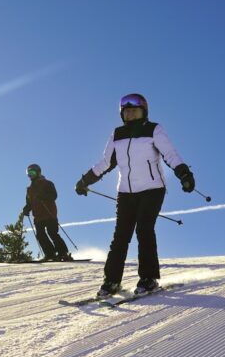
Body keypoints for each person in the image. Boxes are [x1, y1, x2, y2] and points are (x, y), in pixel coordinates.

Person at [75, 93, 194, 297]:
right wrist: (85, 180)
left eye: (134, 111)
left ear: (143, 111)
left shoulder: (153, 129)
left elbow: (170, 154)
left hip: (152, 188)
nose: (130, 114)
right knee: (120, 236)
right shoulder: (117, 134)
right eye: (126, 112)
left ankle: (148, 278)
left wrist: (184, 173)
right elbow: (106, 162)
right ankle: (111, 281)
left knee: (144, 229)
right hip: (126, 192)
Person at [22, 164, 73, 262]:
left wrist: (43, 196)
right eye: (28, 174)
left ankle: (63, 253)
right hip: (38, 216)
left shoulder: (48, 183)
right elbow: (29, 203)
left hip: (49, 213)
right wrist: (26, 209)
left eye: (32, 173)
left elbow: (54, 195)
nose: (30, 175)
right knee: (40, 235)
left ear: (38, 172)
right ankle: (50, 254)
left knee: (52, 232)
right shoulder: (29, 190)